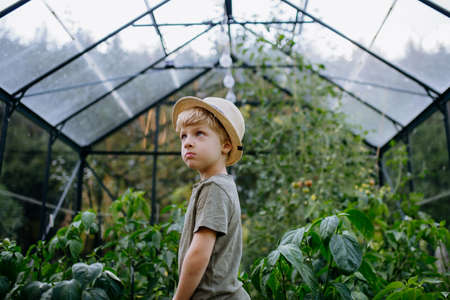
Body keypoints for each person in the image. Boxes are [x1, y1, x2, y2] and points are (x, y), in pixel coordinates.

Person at [171, 96, 250, 300]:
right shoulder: (217, 185)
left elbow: (199, 254)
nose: (188, 142)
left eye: (199, 134)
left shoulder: (215, 188)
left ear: (226, 146)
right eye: (184, 136)